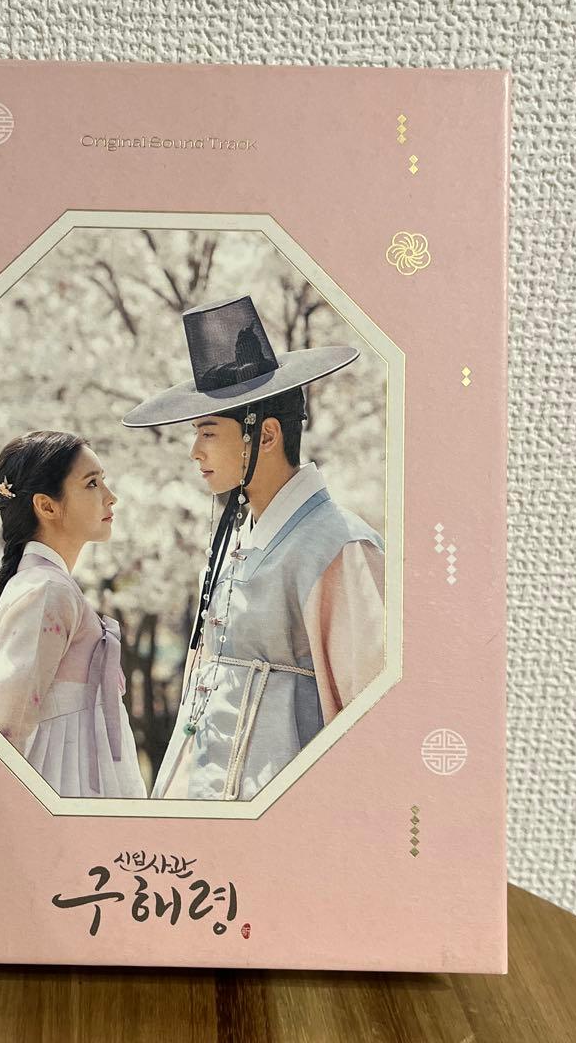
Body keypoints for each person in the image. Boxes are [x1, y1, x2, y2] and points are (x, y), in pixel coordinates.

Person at [122, 294, 385, 802]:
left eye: (208, 432)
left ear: (265, 436)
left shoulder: (339, 545)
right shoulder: (241, 537)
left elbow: (373, 707)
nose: (194, 451)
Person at [0, 430, 148, 799]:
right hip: (63, 778)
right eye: (91, 483)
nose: (110, 496)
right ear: (47, 506)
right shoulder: (45, 591)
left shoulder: (50, 586)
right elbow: (5, 721)